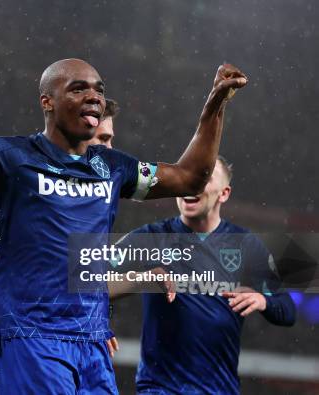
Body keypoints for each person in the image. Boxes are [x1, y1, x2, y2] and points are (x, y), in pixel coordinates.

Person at [0, 34, 247, 394]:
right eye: (78, 88)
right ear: (47, 101)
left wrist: (215, 106)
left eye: (99, 90)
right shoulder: (11, 158)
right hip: (31, 338)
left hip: (92, 342)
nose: (94, 97)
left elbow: (191, 177)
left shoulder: (113, 167)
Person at [115, 156, 296, 394]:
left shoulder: (245, 245)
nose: (192, 183)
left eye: (204, 177)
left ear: (224, 193)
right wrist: (139, 281)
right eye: (188, 176)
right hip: (160, 388)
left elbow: (288, 310)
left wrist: (263, 300)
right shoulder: (150, 238)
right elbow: (86, 276)